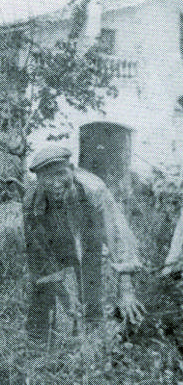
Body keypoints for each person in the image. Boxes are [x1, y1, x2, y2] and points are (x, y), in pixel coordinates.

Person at [23, 144, 143, 345]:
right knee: (50, 306)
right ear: (38, 179)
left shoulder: (93, 190)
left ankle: (101, 343)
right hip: (58, 248)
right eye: (47, 177)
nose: (55, 183)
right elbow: (38, 254)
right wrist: (63, 291)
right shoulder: (32, 201)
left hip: (91, 243)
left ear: (72, 169)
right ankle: (50, 346)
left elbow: (118, 235)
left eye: (60, 173)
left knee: (95, 299)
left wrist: (126, 288)